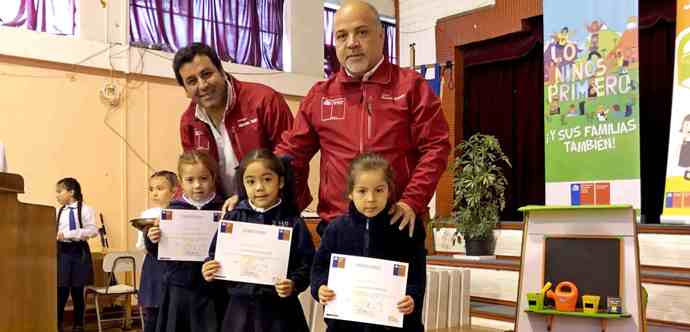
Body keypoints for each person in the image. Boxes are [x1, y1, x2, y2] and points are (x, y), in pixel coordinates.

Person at [276, 0, 450, 236]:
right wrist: (250, 190)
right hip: (339, 227)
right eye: (342, 36)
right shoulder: (320, 96)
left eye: (362, 32)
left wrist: (411, 201)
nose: (352, 43)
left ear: (381, 36)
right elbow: (291, 154)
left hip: (398, 223)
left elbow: (435, 148)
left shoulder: (411, 87)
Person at [174, 42, 309, 207]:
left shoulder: (265, 100)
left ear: (222, 72)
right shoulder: (188, 123)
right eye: (192, 81)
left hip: (275, 210)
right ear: (186, 90)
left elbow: (292, 159)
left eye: (207, 74)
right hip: (223, 213)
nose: (202, 85)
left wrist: (246, 198)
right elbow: (192, 172)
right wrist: (172, 214)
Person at [202, 148, 315, 331]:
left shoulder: (293, 222)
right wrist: (209, 267)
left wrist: (293, 284)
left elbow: (307, 264)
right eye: (251, 181)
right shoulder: (233, 218)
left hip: (281, 313)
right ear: (243, 185)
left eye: (267, 179)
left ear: (281, 182)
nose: (259, 187)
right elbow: (214, 255)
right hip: (239, 311)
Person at [311, 153, 426, 331]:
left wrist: (412, 297)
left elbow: (417, 276)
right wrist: (320, 288)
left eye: (379, 190)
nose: (371, 199)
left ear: (389, 190)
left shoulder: (405, 229)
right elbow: (319, 270)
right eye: (362, 191)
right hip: (344, 327)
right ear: (350, 192)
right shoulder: (335, 230)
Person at [145, 151, 225, 332]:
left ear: (213, 178)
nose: (197, 185)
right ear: (180, 181)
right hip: (178, 290)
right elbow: (157, 251)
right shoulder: (172, 210)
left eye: (203, 178)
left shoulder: (224, 210)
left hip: (213, 290)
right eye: (190, 180)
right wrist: (152, 238)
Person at [136, 170, 177, 332]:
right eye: (151, 189)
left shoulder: (180, 212)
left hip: (173, 266)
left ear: (174, 191)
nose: (154, 193)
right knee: (152, 312)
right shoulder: (147, 215)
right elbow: (141, 246)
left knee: (170, 312)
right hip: (153, 265)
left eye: (160, 188)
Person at [55, 177, 98, 332]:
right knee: (61, 290)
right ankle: (57, 324)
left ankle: (78, 325)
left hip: (79, 251)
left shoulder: (86, 209)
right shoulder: (58, 211)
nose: (57, 195)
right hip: (63, 252)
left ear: (71, 192)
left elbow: (93, 231)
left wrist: (70, 233)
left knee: (78, 290)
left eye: (60, 191)